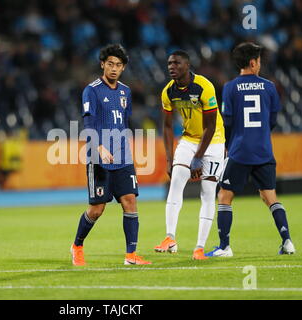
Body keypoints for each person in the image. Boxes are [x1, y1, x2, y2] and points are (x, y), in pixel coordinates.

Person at [206, 42, 295, 257]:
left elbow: (227, 121)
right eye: (259, 61)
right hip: (264, 150)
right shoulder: (270, 87)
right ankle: (287, 241)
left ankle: (225, 246)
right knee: (270, 197)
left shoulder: (230, 87)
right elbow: (272, 120)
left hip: (240, 150)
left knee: (225, 196)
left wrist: (230, 143)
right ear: (253, 62)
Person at [70, 44, 151, 266]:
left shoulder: (125, 91)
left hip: (123, 156)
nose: (114, 69)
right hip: (99, 158)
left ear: (123, 67)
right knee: (97, 209)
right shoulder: (92, 90)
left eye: (118, 65)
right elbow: (88, 123)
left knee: (130, 202)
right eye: (110, 64)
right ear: (102, 64)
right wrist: (99, 148)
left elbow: (124, 122)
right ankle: (77, 246)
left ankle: (131, 255)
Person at [154, 50, 225, 260]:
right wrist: (169, 159)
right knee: (176, 180)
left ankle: (199, 248)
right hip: (188, 139)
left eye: (176, 63)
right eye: (169, 63)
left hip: (213, 142)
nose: (171, 67)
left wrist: (198, 158)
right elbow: (166, 127)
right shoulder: (168, 92)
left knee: (207, 190)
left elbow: (211, 127)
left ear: (187, 65)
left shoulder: (204, 87)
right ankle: (170, 237)